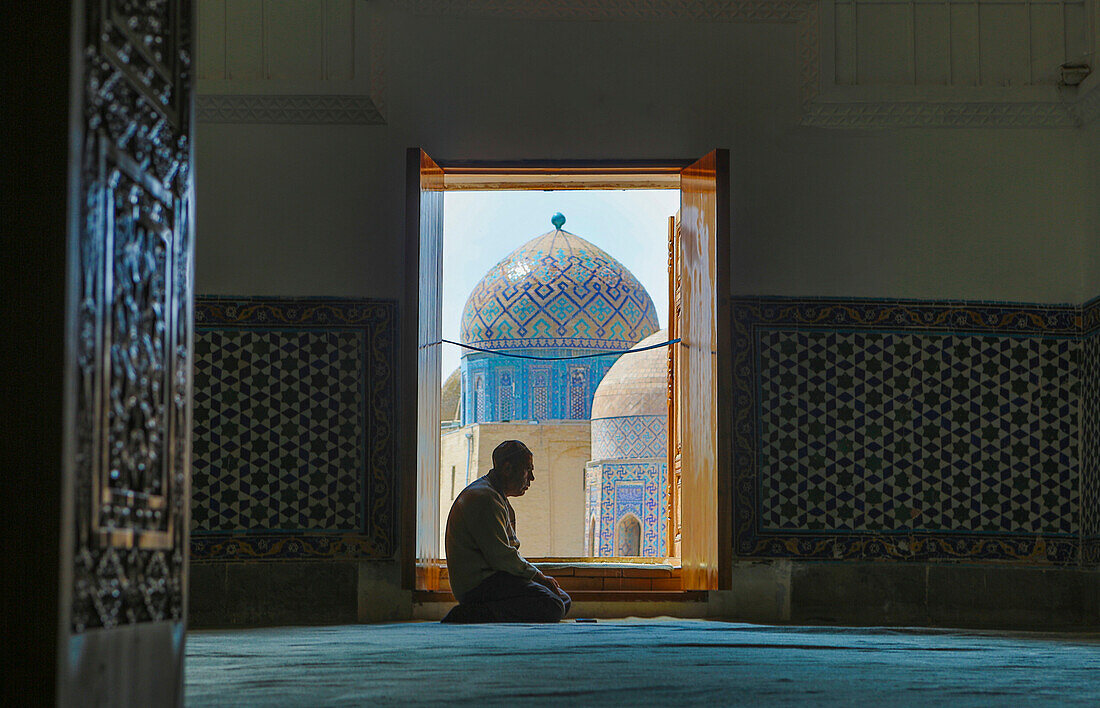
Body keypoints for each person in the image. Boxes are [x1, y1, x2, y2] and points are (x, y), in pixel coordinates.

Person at [441, 439, 571, 623]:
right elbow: (502, 557)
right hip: (480, 585)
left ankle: (485, 610)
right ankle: (471, 612)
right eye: (528, 470)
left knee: (562, 599)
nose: (532, 478)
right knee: (554, 605)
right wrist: (539, 577)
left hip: (497, 579)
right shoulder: (484, 499)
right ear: (508, 468)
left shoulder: (495, 496)